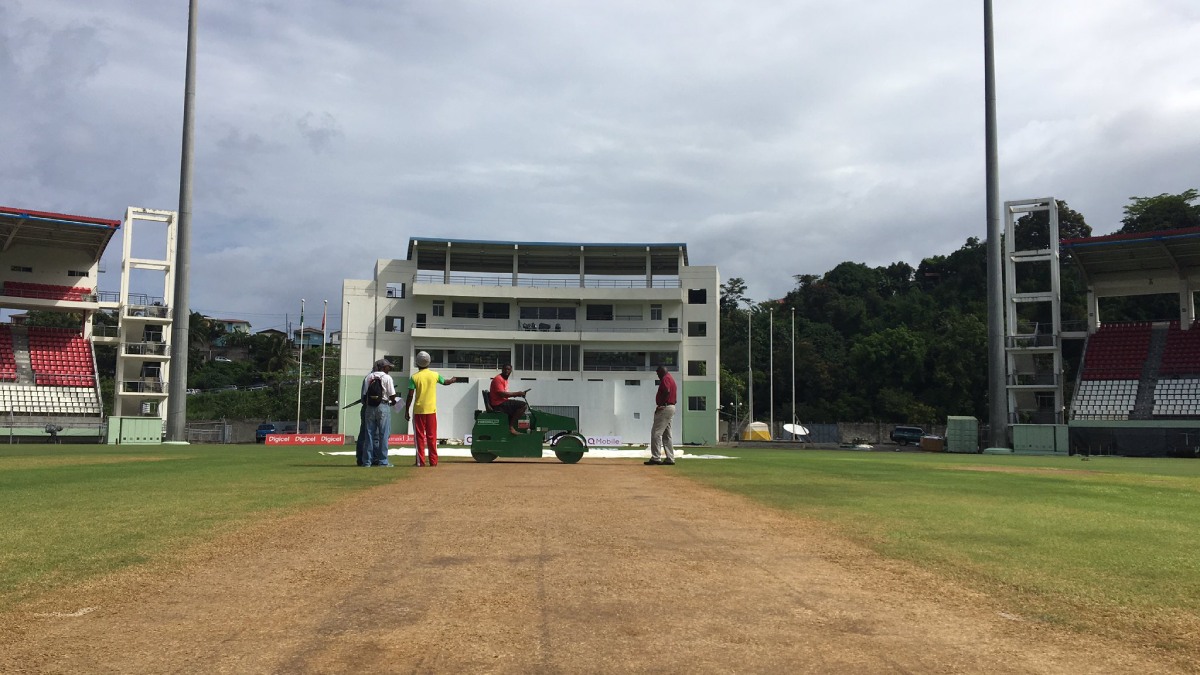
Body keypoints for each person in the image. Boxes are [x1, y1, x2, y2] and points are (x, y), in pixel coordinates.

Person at [404, 350, 460, 467]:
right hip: (431, 410)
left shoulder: (414, 377)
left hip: (419, 410)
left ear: (417, 363)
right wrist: (453, 380)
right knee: (432, 437)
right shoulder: (434, 375)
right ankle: (433, 461)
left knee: (419, 437)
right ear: (429, 362)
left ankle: (420, 462)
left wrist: (406, 410)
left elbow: (410, 395)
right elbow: (445, 382)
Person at [362, 359, 398, 467]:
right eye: (388, 367)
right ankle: (383, 461)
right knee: (384, 435)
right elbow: (392, 395)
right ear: (383, 367)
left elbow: (364, 395)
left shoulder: (368, 377)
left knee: (368, 435)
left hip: (370, 407)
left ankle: (367, 461)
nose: (389, 369)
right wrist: (394, 402)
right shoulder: (387, 378)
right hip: (383, 406)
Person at [645, 365, 677, 466]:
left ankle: (656, 457)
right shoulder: (671, 378)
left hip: (665, 407)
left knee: (656, 433)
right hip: (671, 407)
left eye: (658, 373)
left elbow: (667, 391)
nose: (657, 375)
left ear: (662, 372)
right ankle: (670, 458)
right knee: (667, 435)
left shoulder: (665, 379)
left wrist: (661, 405)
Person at [489, 364, 529, 435]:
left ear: (511, 371)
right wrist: (517, 394)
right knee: (523, 405)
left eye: (508, 369)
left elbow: (505, 394)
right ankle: (511, 427)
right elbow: (502, 394)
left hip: (502, 402)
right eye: (505, 369)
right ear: (502, 369)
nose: (507, 371)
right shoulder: (498, 379)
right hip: (498, 404)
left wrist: (518, 394)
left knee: (518, 406)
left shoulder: (505, 380)